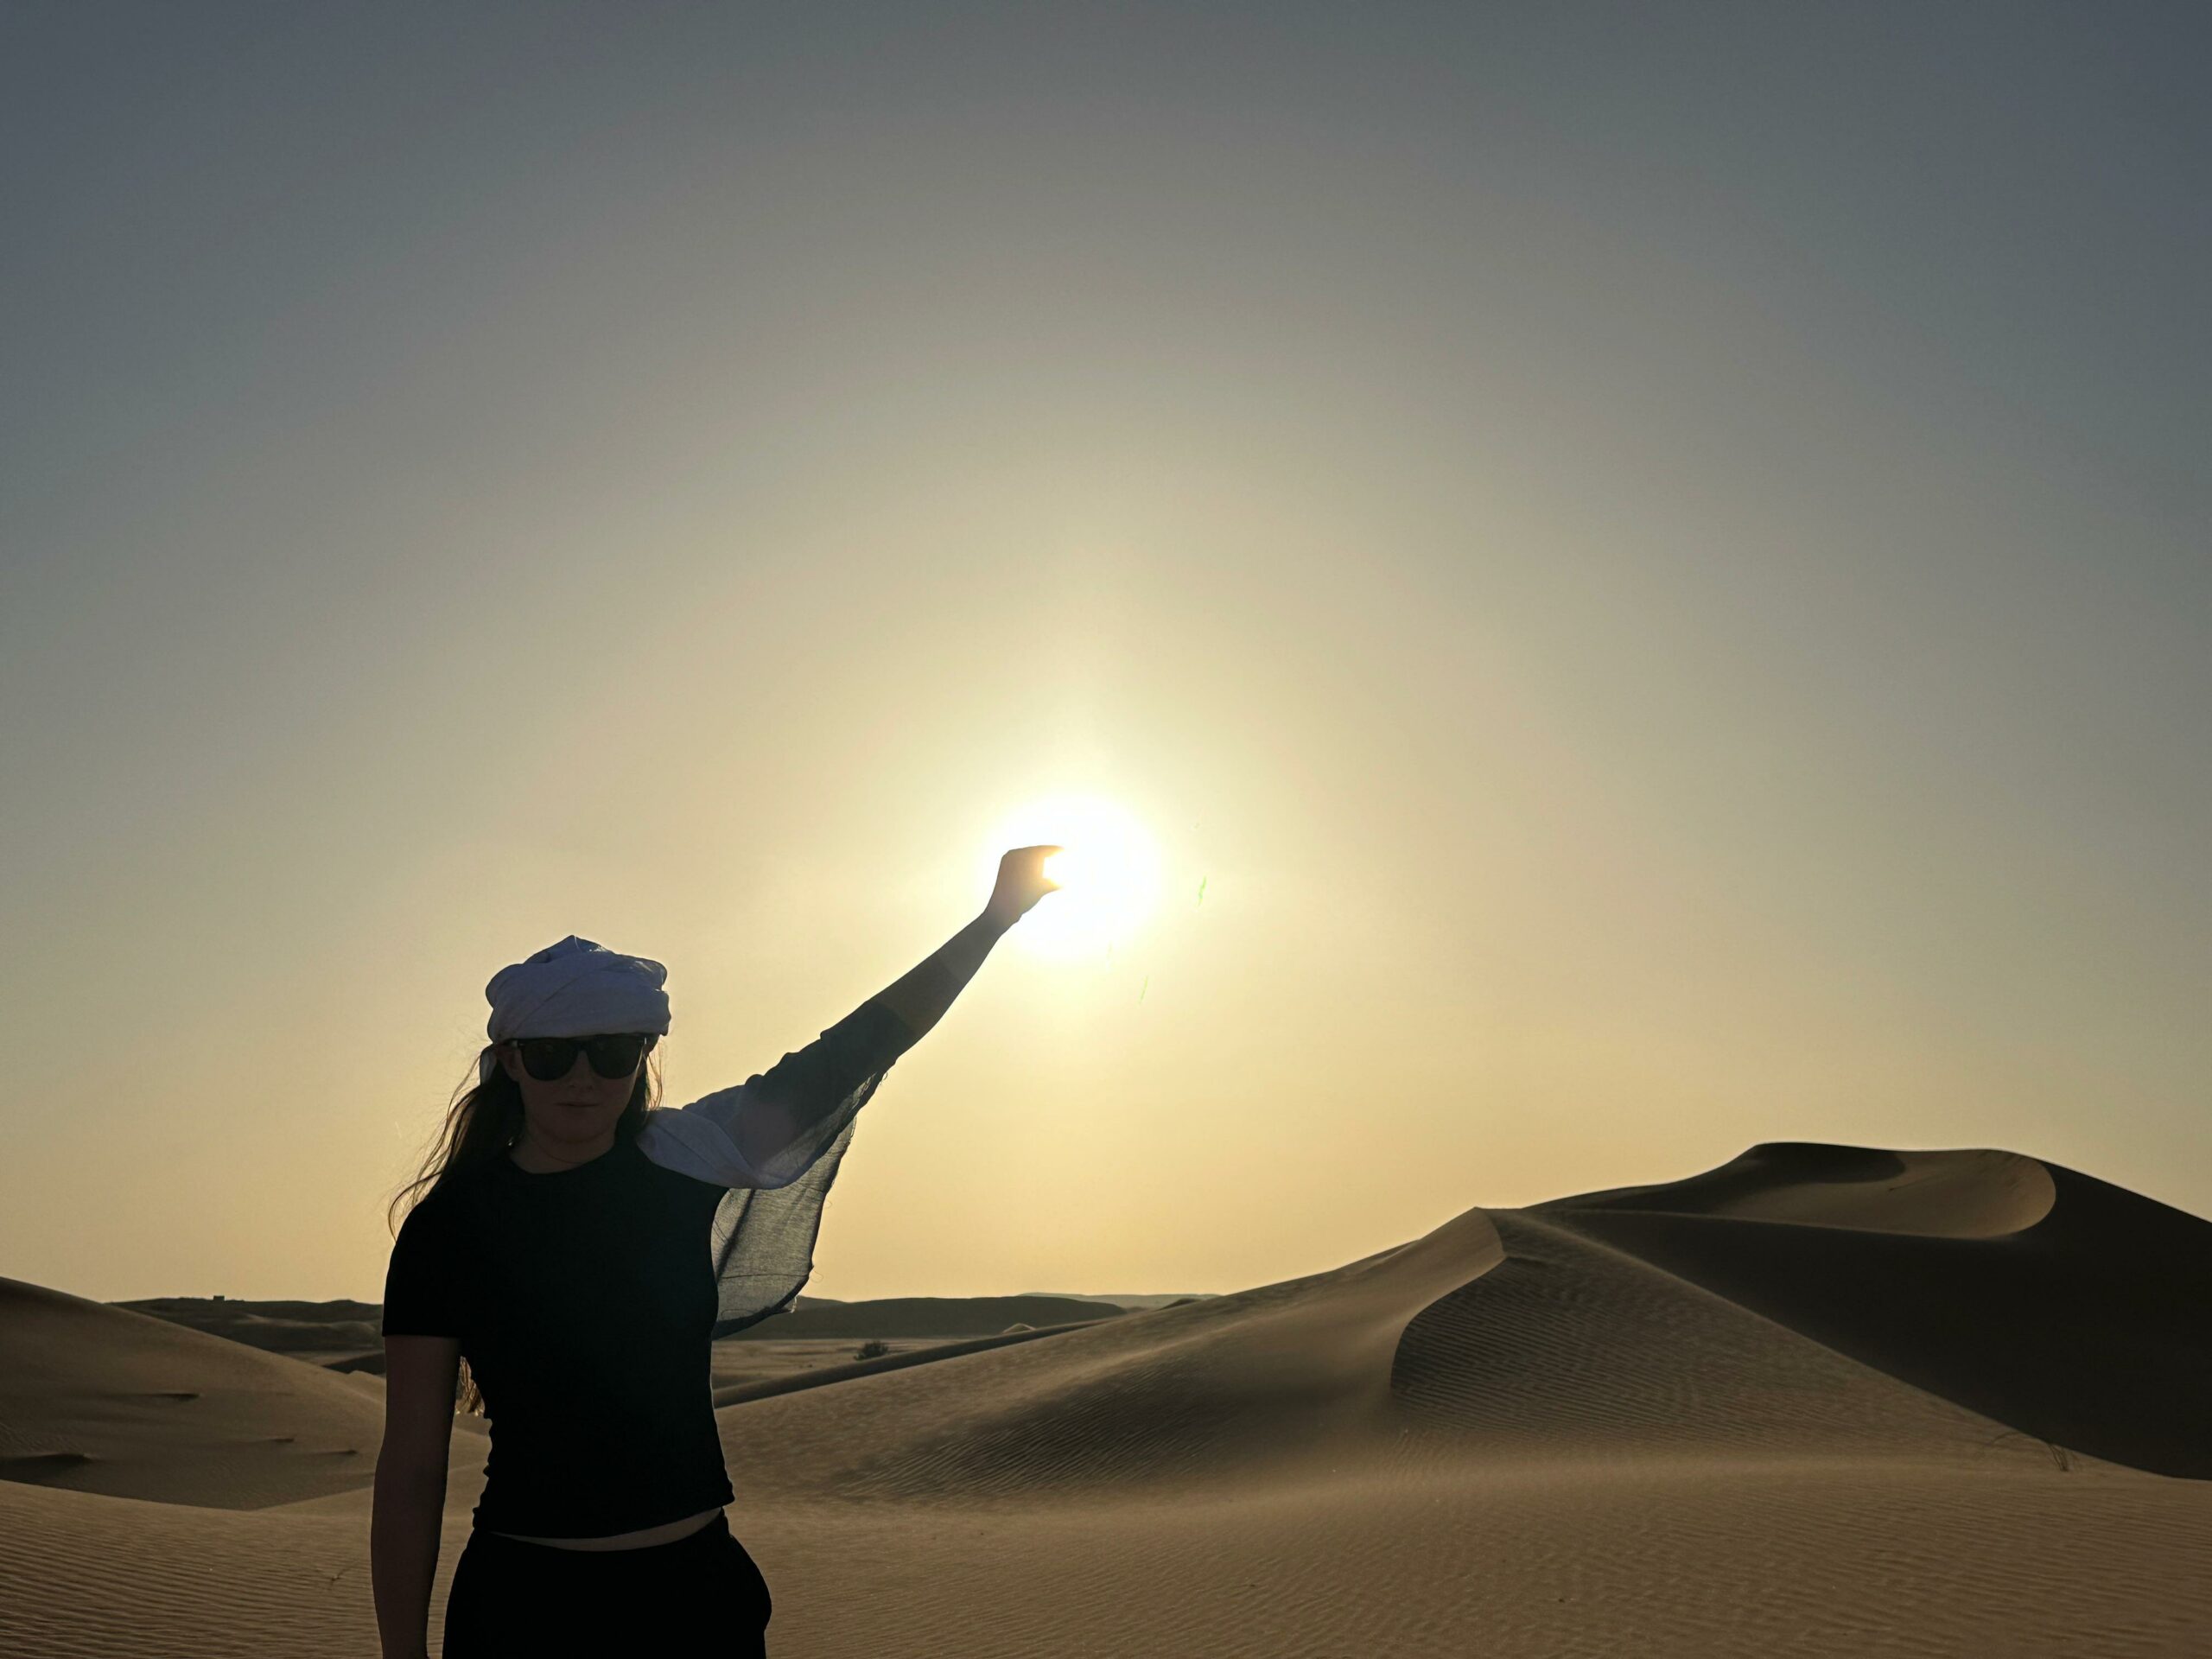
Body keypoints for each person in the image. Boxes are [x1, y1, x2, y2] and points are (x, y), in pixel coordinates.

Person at [369, 846, 1061, 1659]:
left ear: (643, 1055)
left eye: (614, 1052)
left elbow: (859, 1047)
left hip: (697, 1603)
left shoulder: (691, 1156)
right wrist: (401, 1656)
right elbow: (412, 1468)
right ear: (513, 1060)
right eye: (555, 1054)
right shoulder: (450, 1227)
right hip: (527, 1611)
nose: (584, 1077)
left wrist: (993, 921)